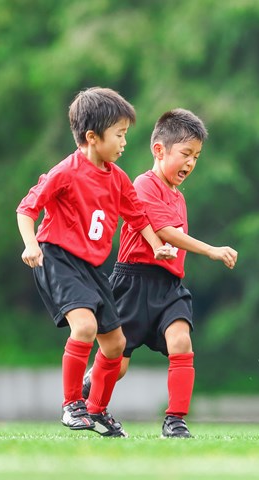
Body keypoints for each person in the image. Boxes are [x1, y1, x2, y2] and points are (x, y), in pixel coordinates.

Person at [17, 87, 176, 437]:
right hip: (56, 258)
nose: (123, 143)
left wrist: (157, 246)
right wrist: (31, 245)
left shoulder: (118, 178)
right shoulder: (65, 171)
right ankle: (71, 405)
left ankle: (97, 409)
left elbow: (137, 216)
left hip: (91, 268)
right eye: (119, 135)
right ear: (92, 137)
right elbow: (27, 208)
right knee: (85, 328)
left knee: (116, 345)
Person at [82, 108, 237, 438]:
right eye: (185, 154)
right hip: (133, 282)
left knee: (181, 341)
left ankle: (175, 420)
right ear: (159, 150)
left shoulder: (179, 197)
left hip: (169, 286)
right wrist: (211, 249)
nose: (191, 163)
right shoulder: (144, 183)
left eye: (196, 156)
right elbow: (165, 231)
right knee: (117, 365)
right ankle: (93, 401)